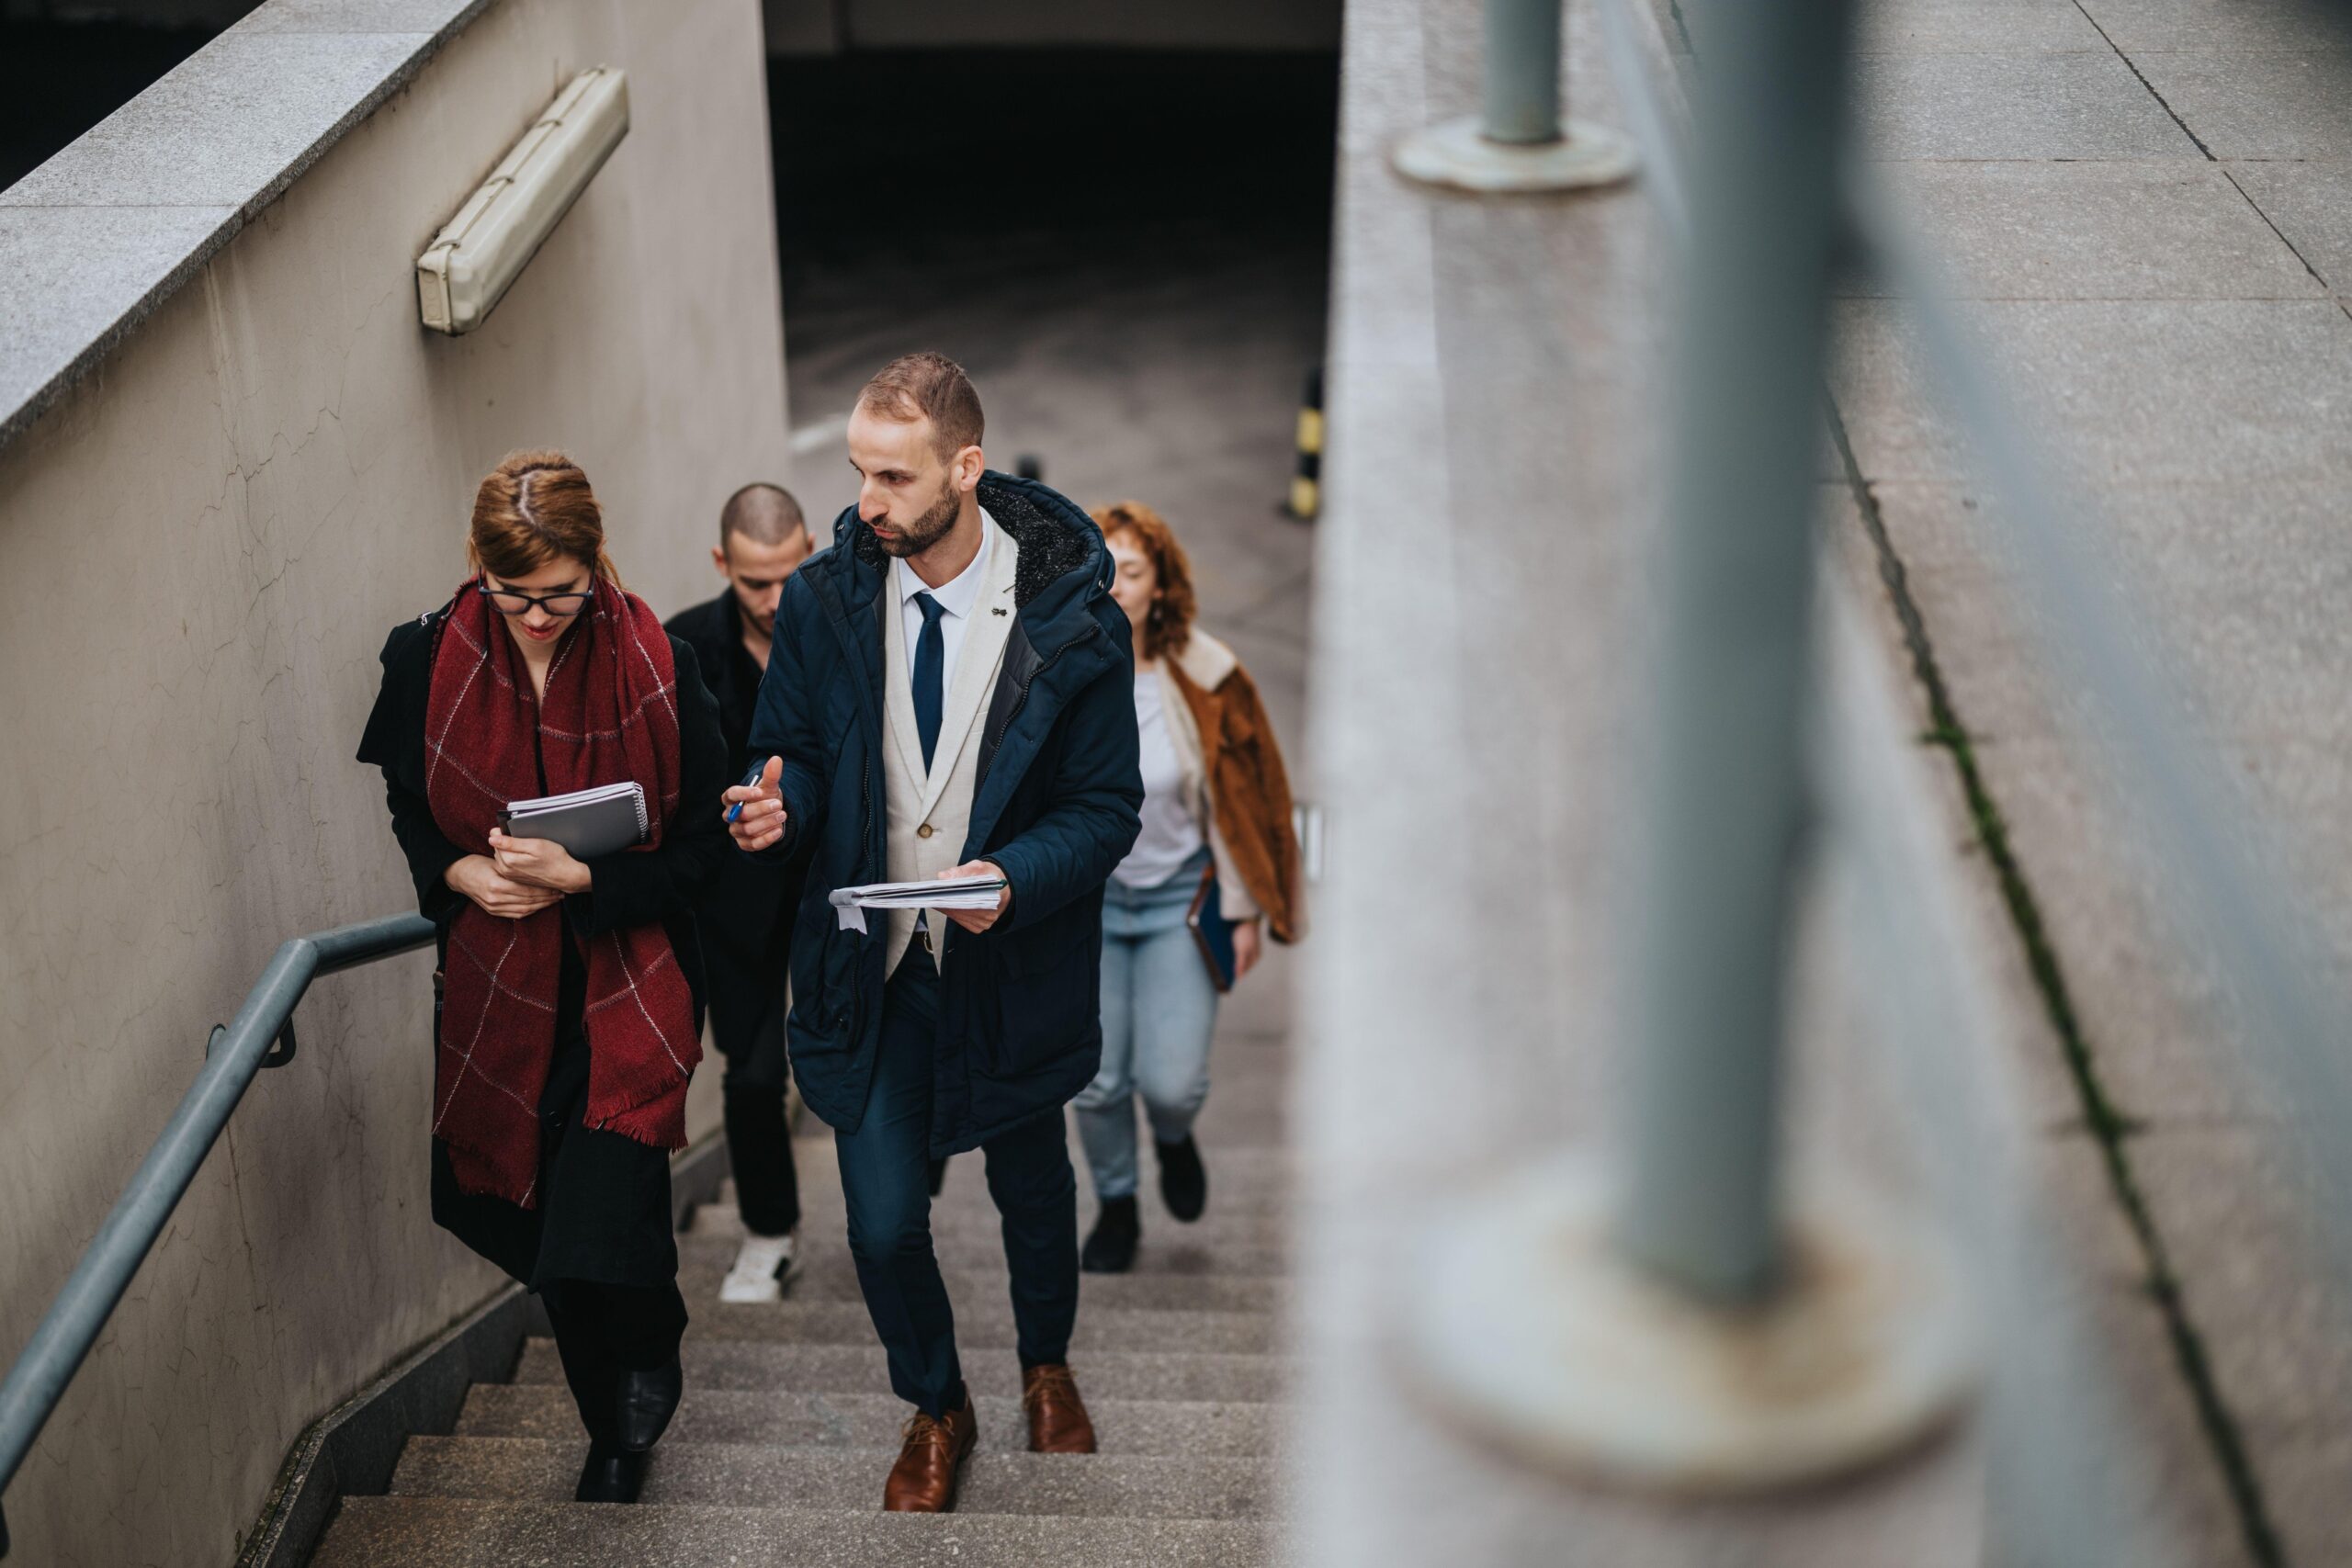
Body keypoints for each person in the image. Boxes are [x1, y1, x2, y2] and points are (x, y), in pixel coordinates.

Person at [723, 353, 1142, 1513]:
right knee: (878, 1225)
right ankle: (937, 1399)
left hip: (1010, 969)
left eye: (895, 478)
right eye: (859, 473)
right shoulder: (821, 598)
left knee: (1033, 1193)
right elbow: (795, 752)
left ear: (966, 465)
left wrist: (1013, 875)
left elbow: (1106, 811)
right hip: (874, 967)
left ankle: (1045, 1364)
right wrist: (777, 803)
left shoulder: (1074, 621)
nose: (868, 504)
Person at [357, 450, 729, 1506]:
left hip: (627, 987)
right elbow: (408, 805)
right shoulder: (421, 659)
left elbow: (702, 848)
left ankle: (626, 1408)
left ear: (594, 563)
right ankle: (613, 1399)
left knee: (601, 1227)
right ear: (475, 563)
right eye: (511, 593)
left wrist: (588, 877)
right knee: (530, 1227)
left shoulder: (657, 662)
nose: (535, 615)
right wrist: (462, 871)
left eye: (560, 594)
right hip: (496, 992)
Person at [1072, 502, 1305, 1272]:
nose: (1115, 585)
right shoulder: (1057, 668)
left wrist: (1244, 913)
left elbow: (1250, 798)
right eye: (1104, 568)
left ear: (1160, 588)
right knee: (1097, 1083)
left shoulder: (1209, 676)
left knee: (1170, 1082)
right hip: (1089, 906)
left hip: (1179, 899)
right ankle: (1117, 1203)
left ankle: (1174, 1138)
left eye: (1132, 572)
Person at [667, 482, 816, 1303]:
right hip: (732, 901)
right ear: (724, 563)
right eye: (756, 580)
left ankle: (895, 1215)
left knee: (871, 1058)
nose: (774, 598)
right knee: (753, 1077)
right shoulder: (682, 645)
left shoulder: (844, 629)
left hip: (834, 884)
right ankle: (768, 1231)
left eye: (790, 575)